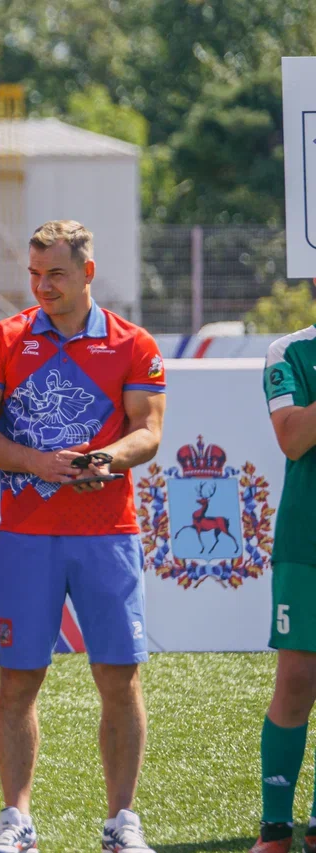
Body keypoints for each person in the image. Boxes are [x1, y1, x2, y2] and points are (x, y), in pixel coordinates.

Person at [0, 220, 166, 853]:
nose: (43, 286)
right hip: (26, 536)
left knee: (119, 676)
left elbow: (148, 430)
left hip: (107, 533)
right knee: (19, 678)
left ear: (87, 273)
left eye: (57, 274)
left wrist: (108, 458)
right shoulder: (4, 339)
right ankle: (16, 821)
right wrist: (32, 461)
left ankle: (121, 821)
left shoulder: (133, 343)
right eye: (35, 274)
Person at [251, 327, 316, 853]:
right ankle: (275, 828)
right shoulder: (289, 351)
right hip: (307, 540)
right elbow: (292, 436)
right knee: (297, 679)